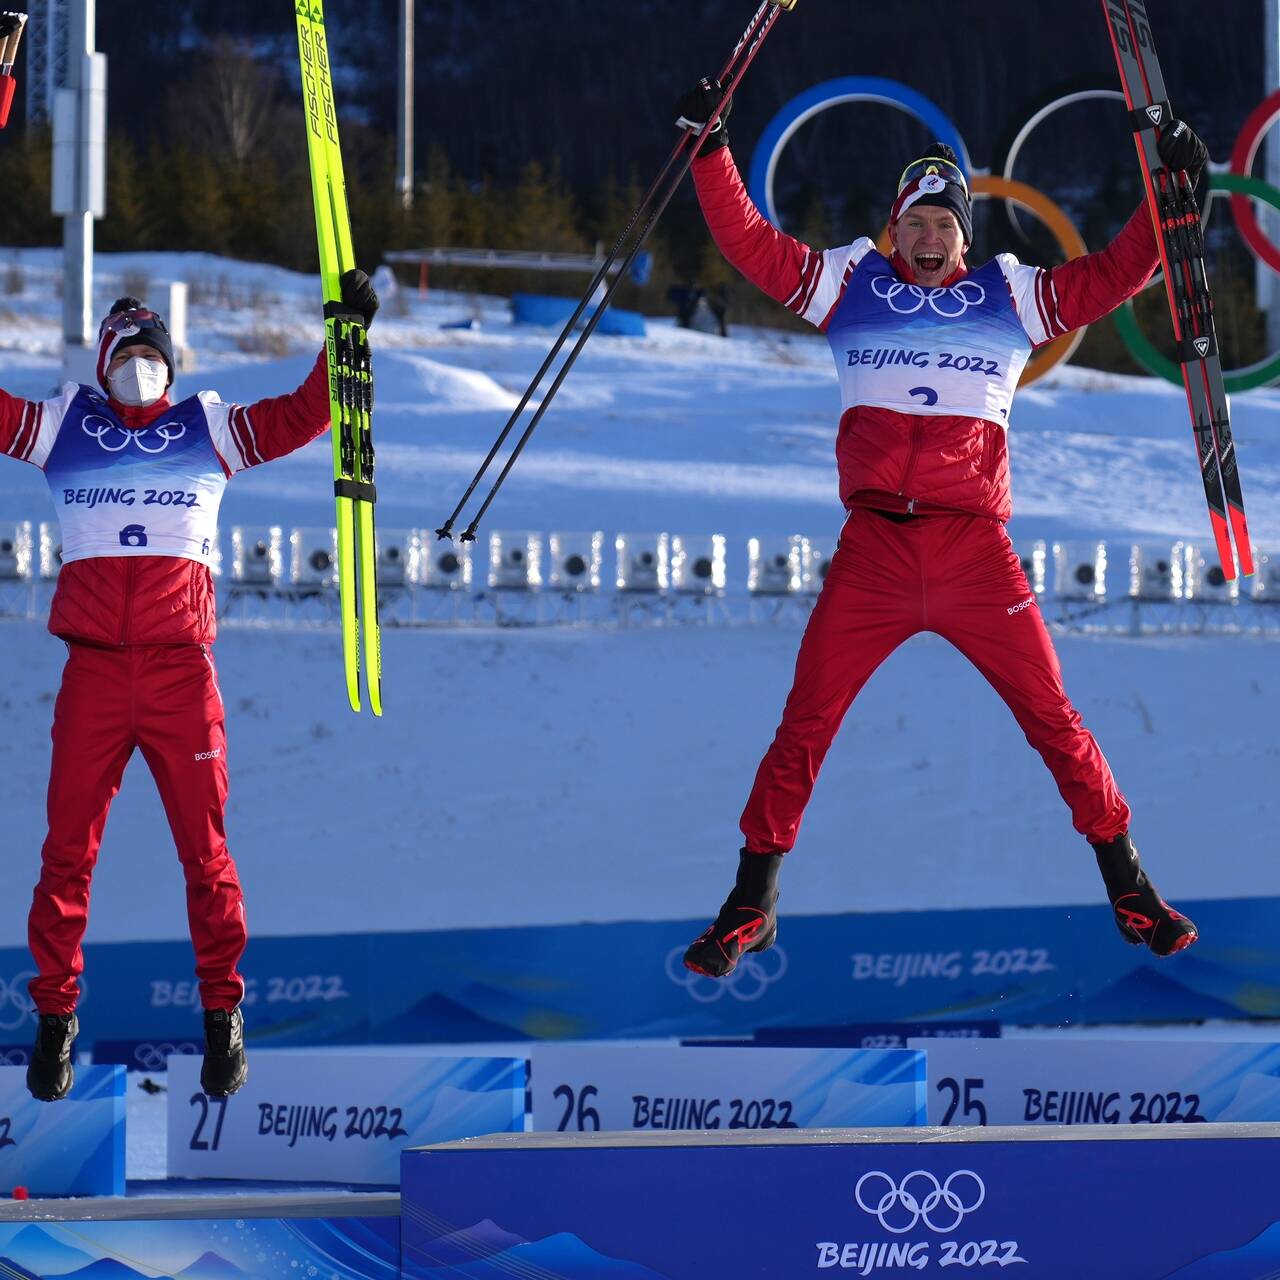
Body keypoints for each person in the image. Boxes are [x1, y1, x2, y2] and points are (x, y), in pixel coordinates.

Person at [674, 77, 1207, 979]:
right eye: (915, 221)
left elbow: (1119, 271)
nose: (929, 237)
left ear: (967, 235)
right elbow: (750, 245)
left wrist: (1172, 196)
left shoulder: (1011, 295)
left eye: (945, 224)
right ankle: (751, 902)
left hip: (974, 554)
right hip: (875, 551)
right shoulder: (849, 283)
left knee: (1054, 718)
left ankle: (1129, 885)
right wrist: (713, 153)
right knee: (806, 720)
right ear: (896, 229)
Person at [0, 270, 379, 1100]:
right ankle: (56, 1020)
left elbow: (303, 416)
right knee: (66, 855)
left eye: (152, 350)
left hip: (182, 675)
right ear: (103, 362)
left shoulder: (206, 427)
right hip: (93, 671)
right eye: (126, 350)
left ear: (173, 362)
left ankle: (222, 1014)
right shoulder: (63, 424)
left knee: (206, 857)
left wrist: (345, 336)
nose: (141, 361)